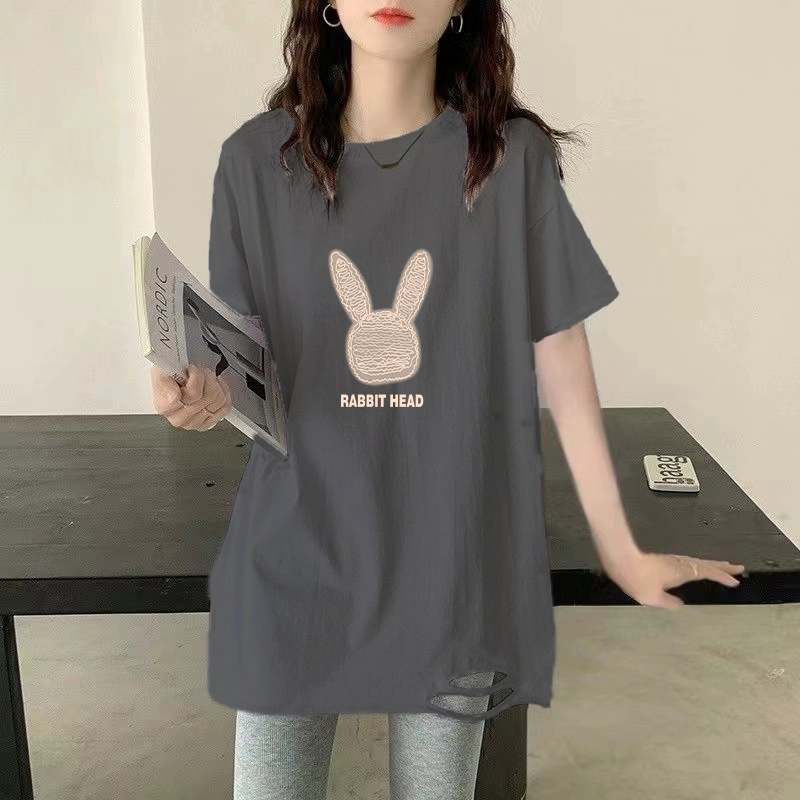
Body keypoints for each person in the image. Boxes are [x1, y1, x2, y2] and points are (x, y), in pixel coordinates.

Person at [150, 2, 746, 798]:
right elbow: (243, 355)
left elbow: (563, 357)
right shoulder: (259, 162)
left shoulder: (509, 160)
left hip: (451, 560)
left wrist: (619, 548)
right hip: (295, 551)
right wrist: (198, 392)